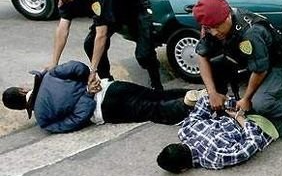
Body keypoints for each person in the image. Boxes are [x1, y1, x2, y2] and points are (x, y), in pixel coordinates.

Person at [192, 0, 282, 141]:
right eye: (209, 29)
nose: (214, 33)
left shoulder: (250, 32)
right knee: (214, 64)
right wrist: (212, 93)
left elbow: (260, 70)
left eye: (216, 27)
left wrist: (247, 99)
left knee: (260, 104)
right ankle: (222, 102)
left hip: (276, 64)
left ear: (228, 16)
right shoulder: (211, 26)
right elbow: (201, 55)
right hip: (249, 62)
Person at [38, 0, 164, 91]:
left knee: (144, 54)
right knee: (90, 45)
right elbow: (62, 29)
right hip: (110, 11)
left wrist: (92, 70)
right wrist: (54, 62)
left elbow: (101, 35)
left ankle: (156, 84)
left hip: (135, 9)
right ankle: (107, 82)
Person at [2, 61, 193, 133]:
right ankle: (204, 94)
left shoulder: (44, 120)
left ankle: (195, 104)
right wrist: (89, 83)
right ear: (21, 90)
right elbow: (78, 67)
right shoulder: (49, 76)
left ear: (22, 108)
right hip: (110, 87)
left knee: (154, 110)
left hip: (106, 110)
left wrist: (87, 95)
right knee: (156, 95)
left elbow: (76, 120)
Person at [157, 93, 279, 173]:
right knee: (266, 98)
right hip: (240, 109)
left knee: (281, 113)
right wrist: (231, 107)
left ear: (182, 169)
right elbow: (206, 100)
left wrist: (240, 118)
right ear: (178, 145)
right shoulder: (186, 130)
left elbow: (252, 144)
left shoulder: (213, 158)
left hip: (260, 126)